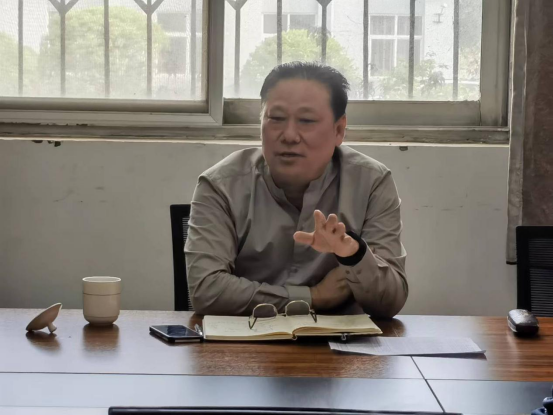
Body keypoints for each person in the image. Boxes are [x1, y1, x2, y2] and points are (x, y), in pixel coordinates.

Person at [184, 62, 407, 318]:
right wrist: (313, 297)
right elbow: (206, 291)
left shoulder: (371, 183)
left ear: (339, 130)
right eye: (276, 118)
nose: (289, 135)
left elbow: (390, 302)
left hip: (343, 341)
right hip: (249, 338)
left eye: (306, 121)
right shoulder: (221, 185)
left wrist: (353, 254)